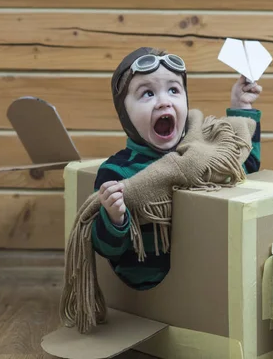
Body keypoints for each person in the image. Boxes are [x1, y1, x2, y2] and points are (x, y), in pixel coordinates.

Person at [91, 47, 262, 291]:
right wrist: (114, 218)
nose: (164, 101)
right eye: (147, 93)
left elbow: (246, 166)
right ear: (125, 113)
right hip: (147, 294)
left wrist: (241, 106)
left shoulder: (201, 153)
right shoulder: (117, 172)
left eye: (173, 90)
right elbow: (105, 250)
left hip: (201, 287)